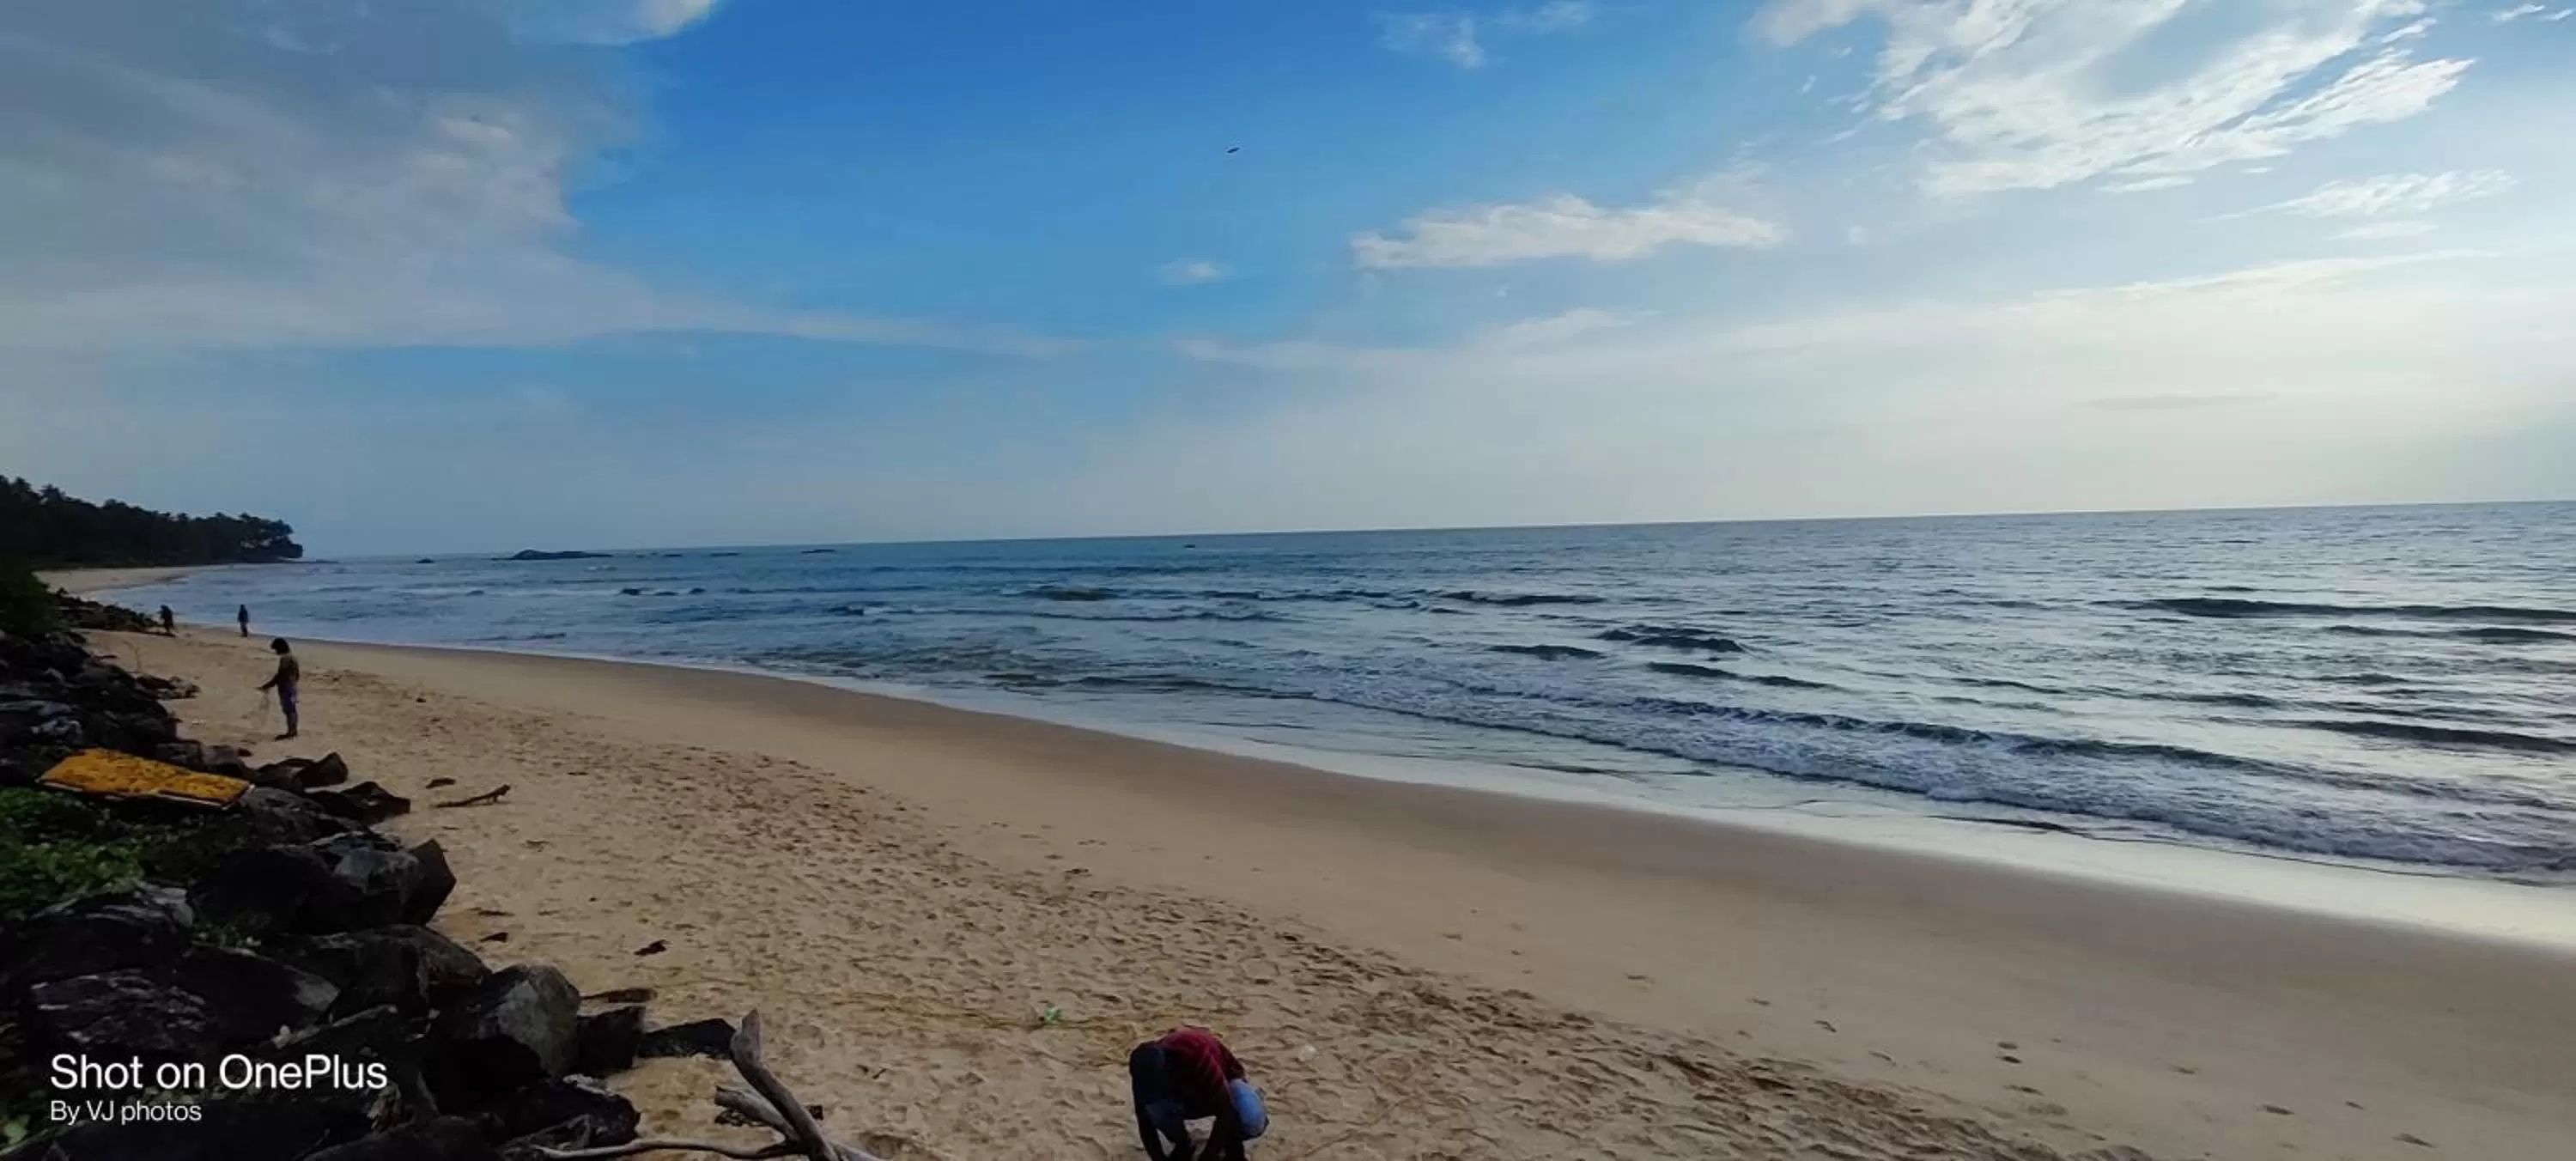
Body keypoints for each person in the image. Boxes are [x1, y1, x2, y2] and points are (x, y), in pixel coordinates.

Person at [1129, 1027, 1267, 1161]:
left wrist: (1209, 1155)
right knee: (1154, 1109)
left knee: (1251, 1120)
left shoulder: (1194, 1055)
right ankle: (1183, 1143)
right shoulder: (1142, 1072)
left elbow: (1226, 1110)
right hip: (1185, 1095)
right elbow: (1144, 1123)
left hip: (1224, 1085)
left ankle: (1252, 1100)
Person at [256, 637, 301, 740]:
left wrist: (268, 685)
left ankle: (291, 732)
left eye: (276, 649)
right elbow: (297, 675)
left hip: (286, 687)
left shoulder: (285, 659)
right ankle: (293, 730)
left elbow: (280, 675)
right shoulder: (293, 657)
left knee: (289, 710)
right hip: (292, 686)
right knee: (292, 709)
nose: (276, 651)